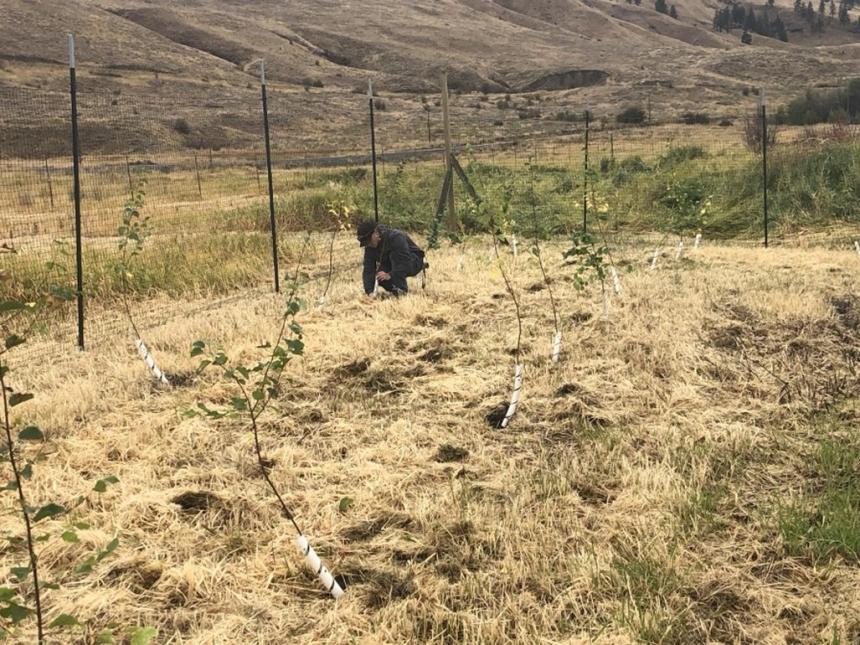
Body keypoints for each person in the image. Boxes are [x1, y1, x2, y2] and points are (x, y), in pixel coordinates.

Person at [356, 220, 426, 297]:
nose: (368, 244)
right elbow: (368, 269)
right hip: (392, 264)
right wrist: (369, 291)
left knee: (394, 259)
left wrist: (390, 275)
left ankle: (401, 290)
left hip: (413, 261)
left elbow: (404, 263)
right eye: (365, 242)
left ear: (375, 233)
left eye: (368, 241)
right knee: (380, 276)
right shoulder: (370, 246)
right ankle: (395, 290)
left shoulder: (396, 237)